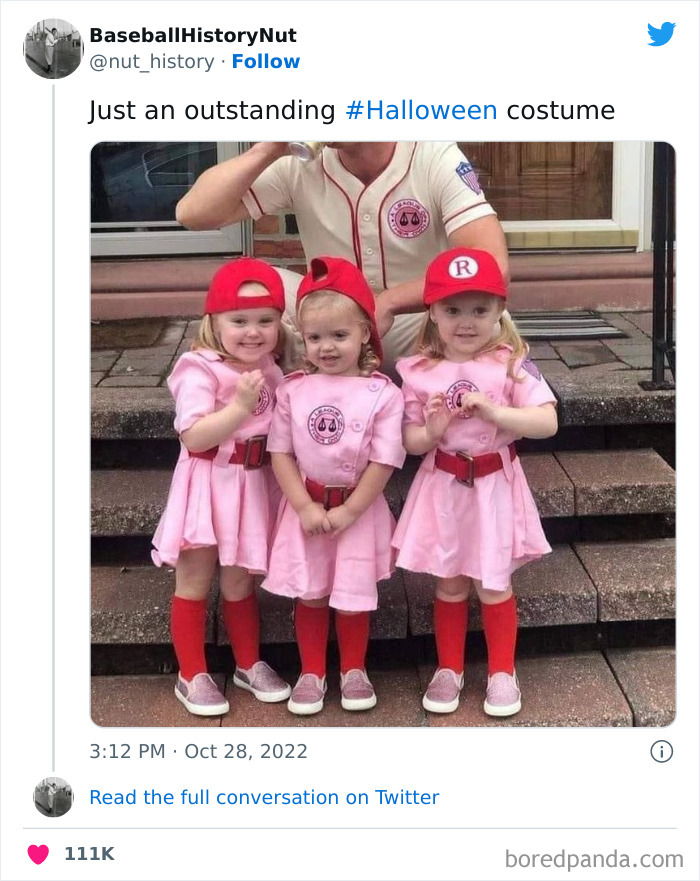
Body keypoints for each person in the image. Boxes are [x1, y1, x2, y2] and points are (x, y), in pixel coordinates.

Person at [392, 248, 557, 717]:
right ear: (433, 312)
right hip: (444, 487)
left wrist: (495, 412)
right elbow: (411, 442)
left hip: (494, 488)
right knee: (448, 583)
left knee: (493, 583)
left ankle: (502, 671)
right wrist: (433, 430)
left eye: (480, 310)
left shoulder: (511, 363)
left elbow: (547, 422)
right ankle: (449, 668)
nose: (466, 321)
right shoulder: (418, 371)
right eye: (452, 310)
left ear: (500, 311)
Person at [175, 142, 509, 370]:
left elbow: (491, 265)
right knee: (251, 286)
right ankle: (252, 415)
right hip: (328, 324)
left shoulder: (432, 152)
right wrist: (268, 148)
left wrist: (391, 301)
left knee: (491, 329)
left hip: (414, 325)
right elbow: (193, 214)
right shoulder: (299, 161)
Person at [262, 256, 406, 715]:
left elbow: (384, 460)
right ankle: (311, 670)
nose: (327, 347)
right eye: (315, 337)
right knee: (311, 591)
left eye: (339, 335)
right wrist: (303, 505)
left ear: (365, 332)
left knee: (352, 594)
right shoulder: (292, 390)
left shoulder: (384, 393)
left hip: (357, 511)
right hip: (305, 507)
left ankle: (353, 669)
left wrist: (349, 510)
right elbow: (280, 452)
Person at [151, 258, 291, 716]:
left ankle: (247, 664)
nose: (253, 332)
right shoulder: (199, 367)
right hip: (208, 483)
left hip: (252, 484)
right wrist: (239, 408)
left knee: (240, 576)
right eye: (240, 321)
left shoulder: (271, 367)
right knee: (195, 576)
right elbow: (193, 435)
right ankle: (191, 673)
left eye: (266, 320)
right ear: (214, 321)